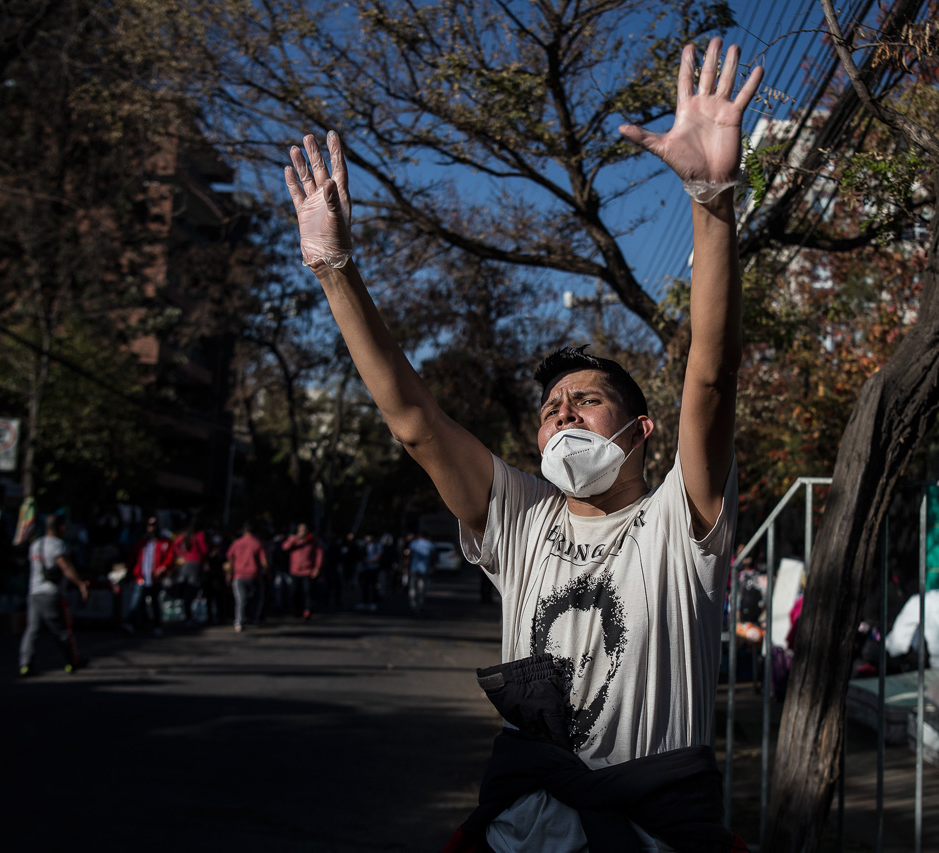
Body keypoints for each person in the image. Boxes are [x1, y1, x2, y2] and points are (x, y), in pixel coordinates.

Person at [284, 37, 760, 851]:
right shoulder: (523, 523)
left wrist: (710, 201)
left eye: (588, 400)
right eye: (549, 408)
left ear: (643, 430)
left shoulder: (680, 523)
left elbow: (710, 381)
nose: (564, 414)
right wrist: (334, 269)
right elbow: (414, 423)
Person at [19, 513, 90, 676]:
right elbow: (65, 567)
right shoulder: (58, 545)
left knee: (32, 630)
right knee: (63, 631)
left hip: (34, 593)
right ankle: (72, 661)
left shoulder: (35, 544)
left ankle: (25, 664)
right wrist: (80, 584)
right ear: (61, 528)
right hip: (51, 594)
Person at [126, 516, 173, 637]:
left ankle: (157, 626)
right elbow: (133, 559)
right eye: (150, 526)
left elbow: (170, 558)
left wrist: (163, 568)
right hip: (141, 578)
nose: (152, 529)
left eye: (154, 526)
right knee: (136, 603)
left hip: (155, 579)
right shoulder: (142, 543)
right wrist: (130, 572)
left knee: (155, 603)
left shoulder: (164, 542)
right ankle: (132, 625)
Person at [224, 522, 268, 632]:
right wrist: (267, 573)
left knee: (240, 599)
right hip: (254, 575)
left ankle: (239, 622)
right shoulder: (257, 543)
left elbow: (230, 559)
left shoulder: (237, 543)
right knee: (257, 597)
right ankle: (254, 618)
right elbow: (264, 562)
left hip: (239, 575)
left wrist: (229, 573)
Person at [172, 515, 210, 625]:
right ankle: (194, 616)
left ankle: (188, 615)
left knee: (187, 589)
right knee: (194, 590)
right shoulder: (200, 535)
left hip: (185, 564)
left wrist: (182, 555)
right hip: (196, 564)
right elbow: (204, 550)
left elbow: (175, 545)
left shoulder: (185, 534)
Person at [281, 522, 323, 619]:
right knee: (294, 592)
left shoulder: (312, 541)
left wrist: (317, 568)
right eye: (300, 530)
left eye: (304, 530)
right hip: (294, 571)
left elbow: (319, 554)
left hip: (307, 571)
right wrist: (294, 539)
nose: (302, 532)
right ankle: (296, 610)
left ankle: (307, 610)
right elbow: (284, 547)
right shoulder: (294, 540)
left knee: (307, 591)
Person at [403, 531, 435, 615]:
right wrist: (433, 568)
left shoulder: (414, 543)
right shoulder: (430, 544)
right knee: (422, 588)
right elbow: (433, 558)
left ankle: (413, 605)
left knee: (413, 588)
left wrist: (406, 567)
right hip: (425, 569)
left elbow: (409, 556)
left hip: (414, 568)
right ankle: (420, 606)